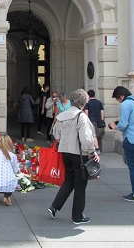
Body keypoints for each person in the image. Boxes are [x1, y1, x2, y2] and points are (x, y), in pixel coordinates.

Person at [48, 89, 99, 224]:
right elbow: (86, 138)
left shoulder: (62, 116)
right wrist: (92, 152)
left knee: (69, 179)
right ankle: (77, 216)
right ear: (83, 102)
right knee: (80, 184)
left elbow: (56, 135)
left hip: (65, 152)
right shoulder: (81, 116)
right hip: (79, 154)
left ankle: (54, 206)